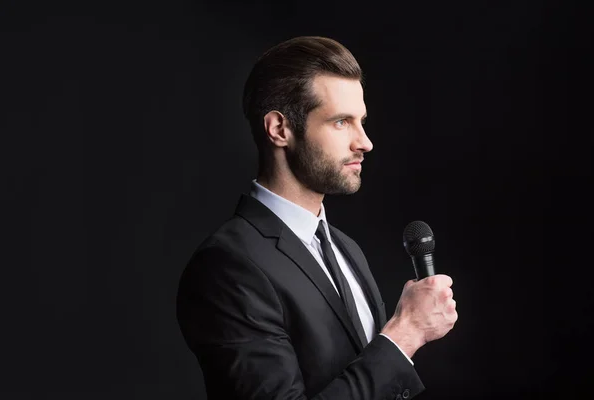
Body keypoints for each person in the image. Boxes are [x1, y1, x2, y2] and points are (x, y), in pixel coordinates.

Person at [176, 36, 458, 400]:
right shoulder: (228, 265)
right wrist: (406, 332)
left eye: (362, 121)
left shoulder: (346, 249)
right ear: (280, 129)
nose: (365, 142)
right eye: (341, 122)